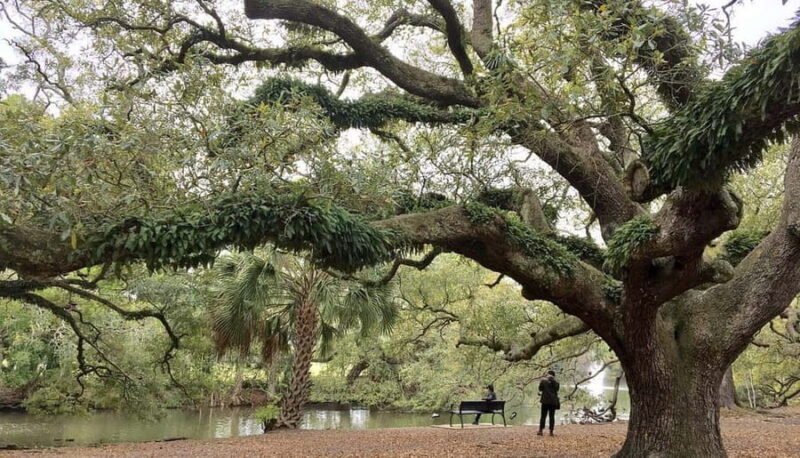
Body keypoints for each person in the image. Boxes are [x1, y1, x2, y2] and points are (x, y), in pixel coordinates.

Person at [537, 370, 560, 436]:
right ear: (554, 376)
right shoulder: (556, 382)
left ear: (548, 375)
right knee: (552, 417)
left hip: (545, 401)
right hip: (553, 402)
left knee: (543, 416)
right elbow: (557, 389)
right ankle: (551, 432)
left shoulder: (543, 381)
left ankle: (541, 431)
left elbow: (540, 389)